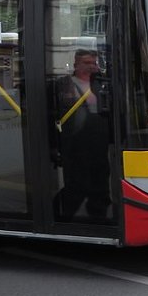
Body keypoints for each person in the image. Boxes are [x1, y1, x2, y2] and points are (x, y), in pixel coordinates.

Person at [52, 49, 111, 220]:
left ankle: (99, 217)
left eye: (93, 63)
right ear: (76, 65)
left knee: (100, 185)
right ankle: (61, 216)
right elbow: (51, 116)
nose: (91, 66)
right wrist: (53, 145)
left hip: (100, 146)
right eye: (86, 63)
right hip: (74, 146)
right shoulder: (62, 85)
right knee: (76, 185)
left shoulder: (102, 83)